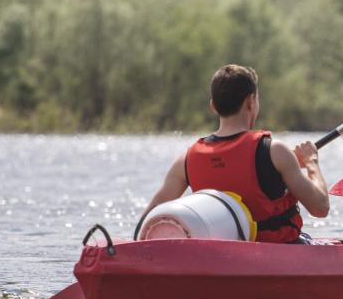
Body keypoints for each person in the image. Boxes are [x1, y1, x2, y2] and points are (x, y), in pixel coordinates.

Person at [141, 64, 330, 243]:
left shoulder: (186, 160)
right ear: (251, 101)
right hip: (278, 251)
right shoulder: (275, 151)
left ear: (213, 106)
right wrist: (311, 162)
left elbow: (147, 222)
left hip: (219, 258)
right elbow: (320, 207)